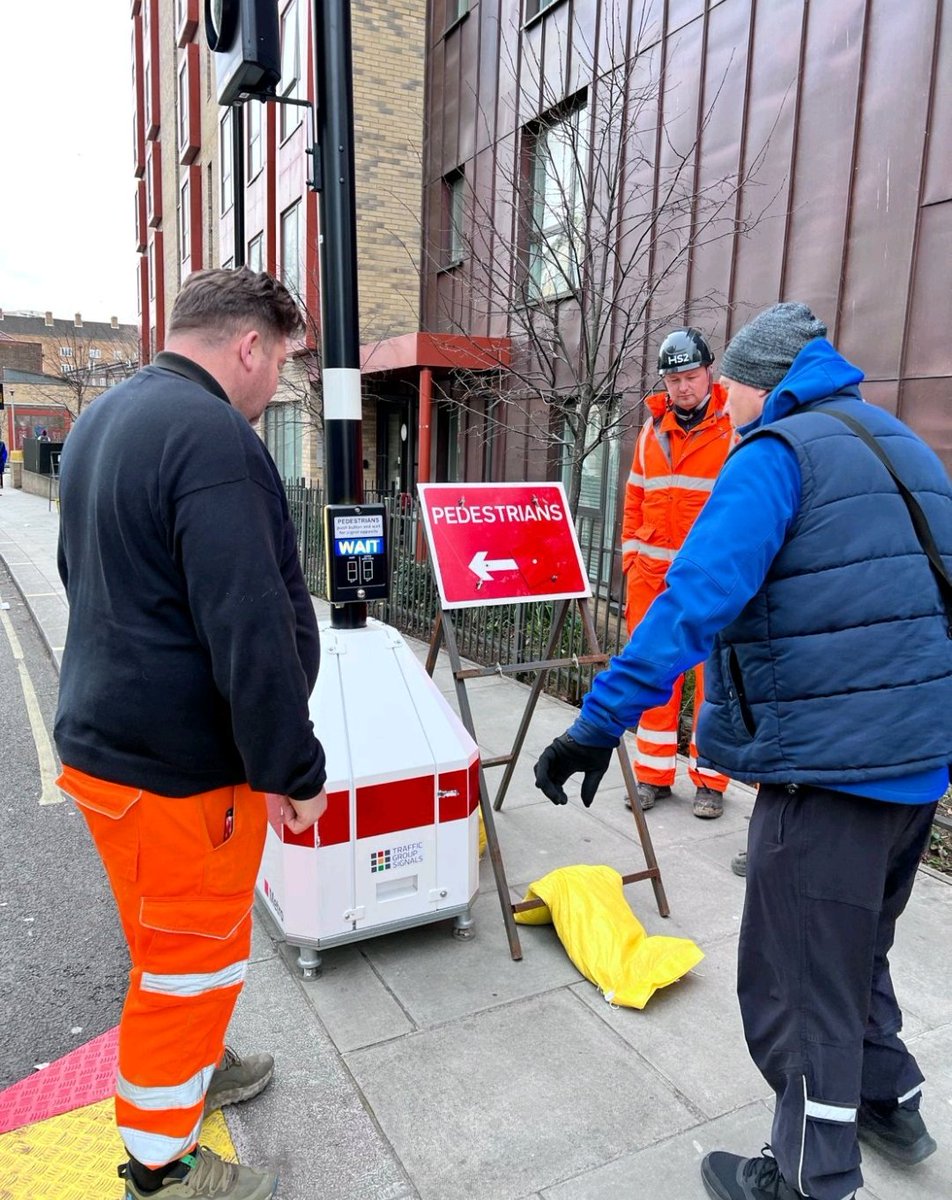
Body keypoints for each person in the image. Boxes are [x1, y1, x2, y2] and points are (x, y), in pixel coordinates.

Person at [535, 302, 950, 1200]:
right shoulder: (904, 446)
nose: (724, 400)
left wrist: (595, 722)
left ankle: (807, 1176)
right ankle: (893, 1104)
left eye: (728, 386)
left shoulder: (776, 457)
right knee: (856, 949)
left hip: (831, 773)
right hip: (918, 765)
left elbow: (691, 603)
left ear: (757, 383)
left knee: (799, 975)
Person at [54, 267, 326, 1200]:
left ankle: (195, 1068)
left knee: (164, 942)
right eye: (280, 362)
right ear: (249, 345)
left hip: (106, 750)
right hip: (180, 775)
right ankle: (162, 1169)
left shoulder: (106, 417)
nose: (275, 386)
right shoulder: (213, 438)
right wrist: (292, 769)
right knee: (187, 966)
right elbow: (249, 627)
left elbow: (84, 572)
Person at [622, 327, 734, 818]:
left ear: (709, 371)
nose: (682, 387)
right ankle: (652, 776)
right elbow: (634, 499)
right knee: (655, 677)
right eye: (674, 379)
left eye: (690, 376)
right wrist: (630, 560)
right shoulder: (651, 430)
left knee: (716, 684)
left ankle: (710, 781)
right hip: (651, 580)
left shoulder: (735, 427)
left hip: (711, 580)